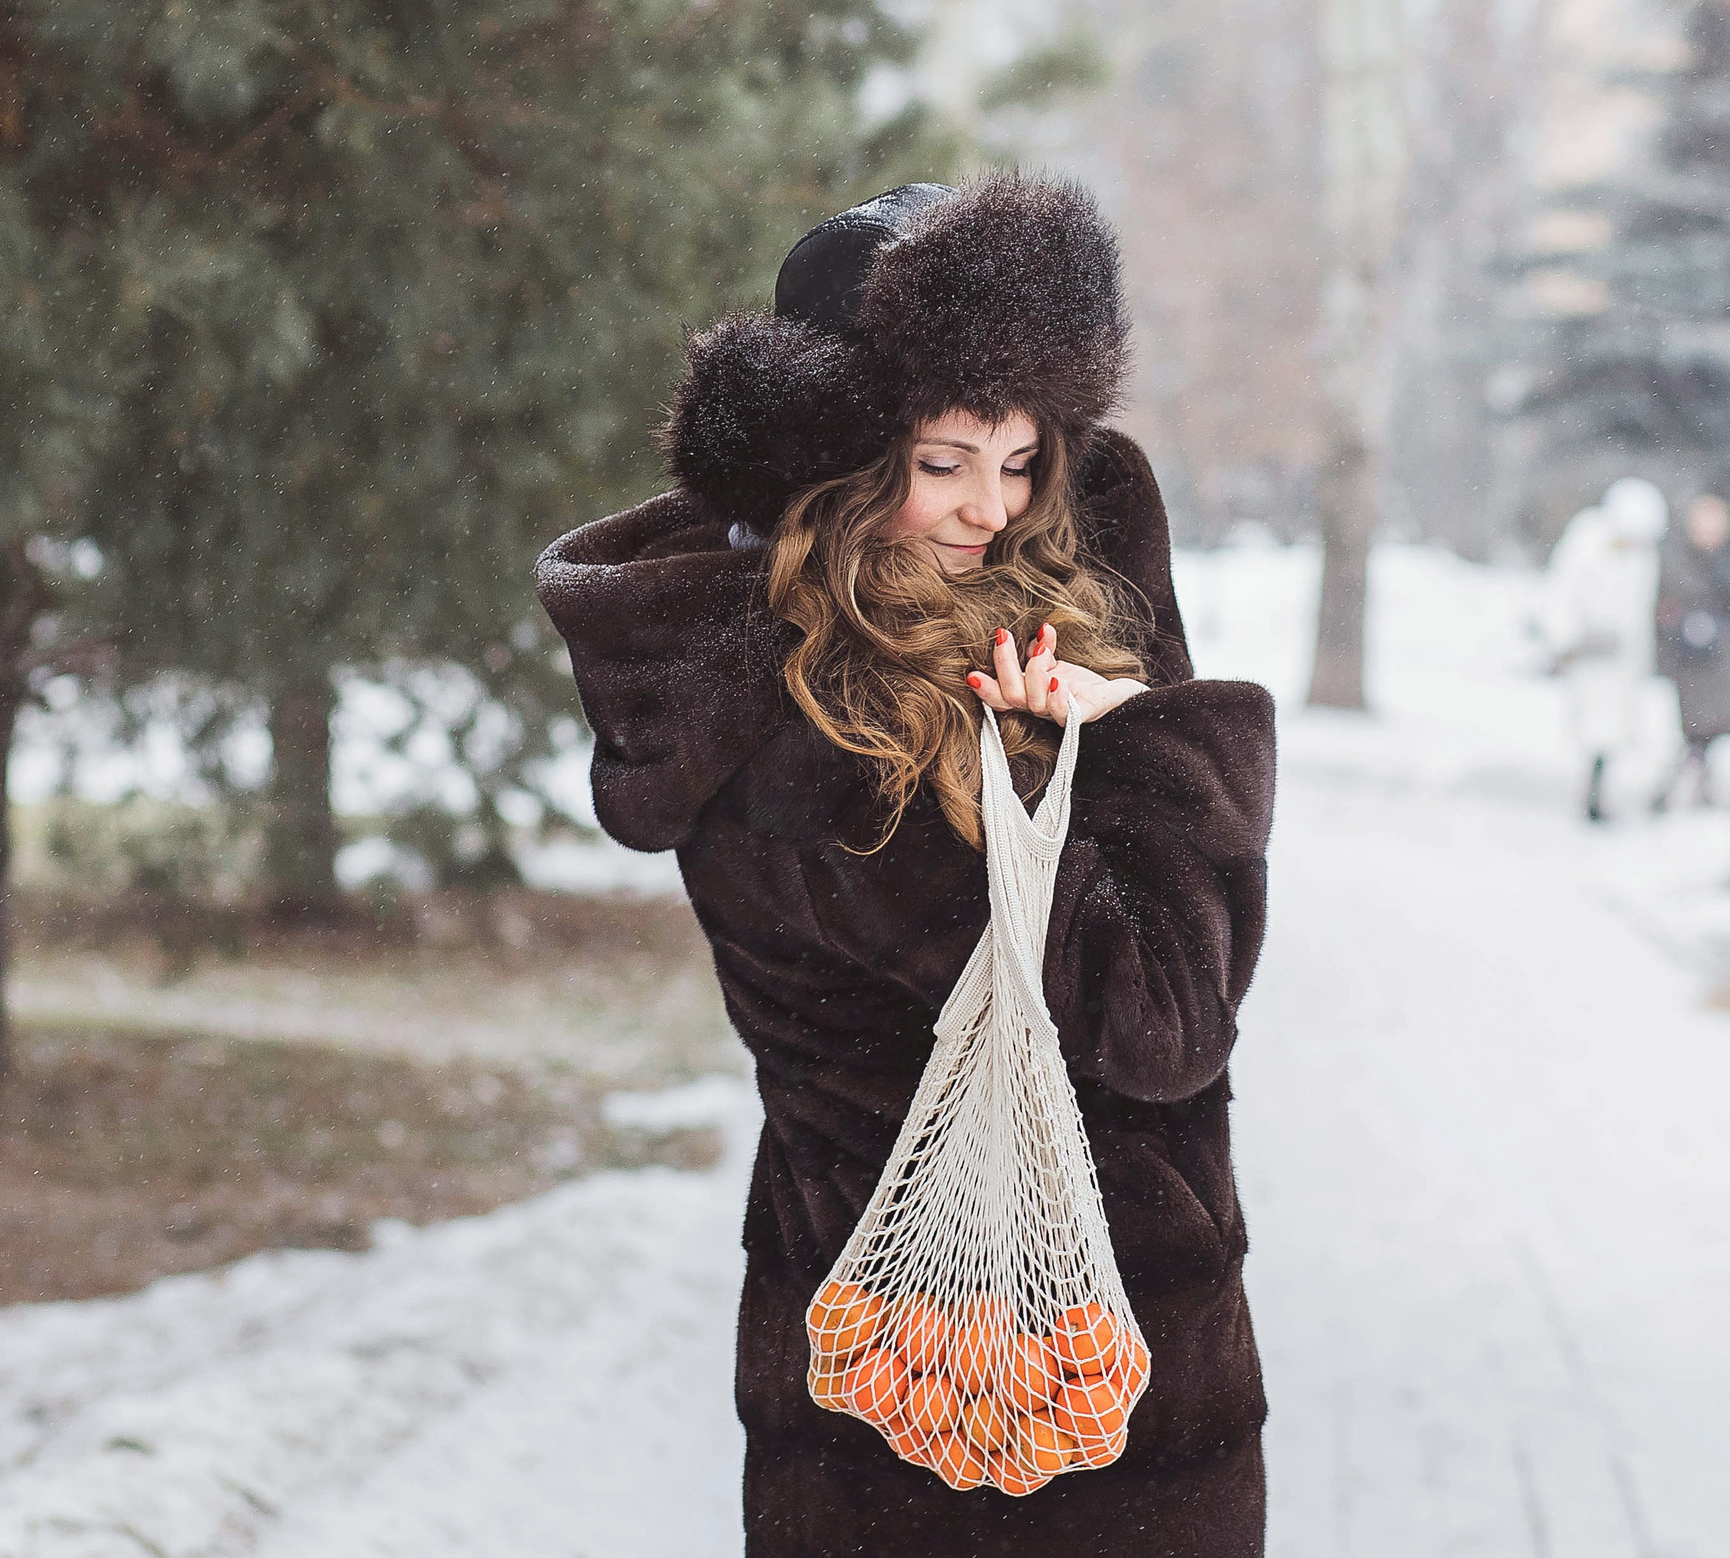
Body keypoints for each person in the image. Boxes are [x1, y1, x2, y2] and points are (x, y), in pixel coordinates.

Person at [538, 177, 1274, 1556]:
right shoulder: (824, 742)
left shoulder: (1005, 634)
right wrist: (1157, 742)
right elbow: (1159, 1020)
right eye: (943, 462)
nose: (990, 506)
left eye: (1021, 458)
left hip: (979, 1379)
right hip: (999, 1411)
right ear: (842, 466)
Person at [1544, 477, 1668, 823]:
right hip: (1589, 655)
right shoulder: (1586, 541)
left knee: (1615, 731)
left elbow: (1639, 612)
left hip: (1621, 661)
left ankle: (1599, 791)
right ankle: (1592, 794)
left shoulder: (1644, 557)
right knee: (1593, 728)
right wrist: (1566, 639)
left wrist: (1641, 659)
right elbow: (1562, 591)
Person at [1652, 493, 1730, 811]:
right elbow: (1664, 607)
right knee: (1694, 730)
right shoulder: (1677, 563)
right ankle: (1683, 788)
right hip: (1689, 662)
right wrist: (1683, 626)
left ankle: (1688, 787)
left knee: (1709, 731)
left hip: (1720, 661)